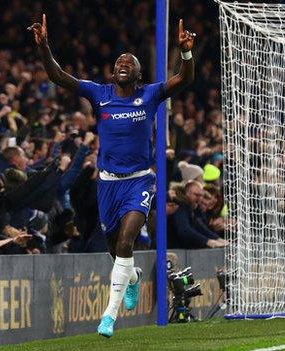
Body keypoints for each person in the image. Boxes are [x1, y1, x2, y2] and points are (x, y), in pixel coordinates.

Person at [28, 14, 196, 337]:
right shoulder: (99, 94)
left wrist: (186, 53)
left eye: (129, 62)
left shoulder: (149, 95)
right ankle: (131, 277)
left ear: (137, 72)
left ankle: (109, 316)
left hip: (139, 181)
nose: (123, 64)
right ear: (112, 71)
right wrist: (44, 47)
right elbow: (58, 76)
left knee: (126, 239)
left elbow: (182, 80)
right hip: (108, 184)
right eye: (118, 61)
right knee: (115, 248)